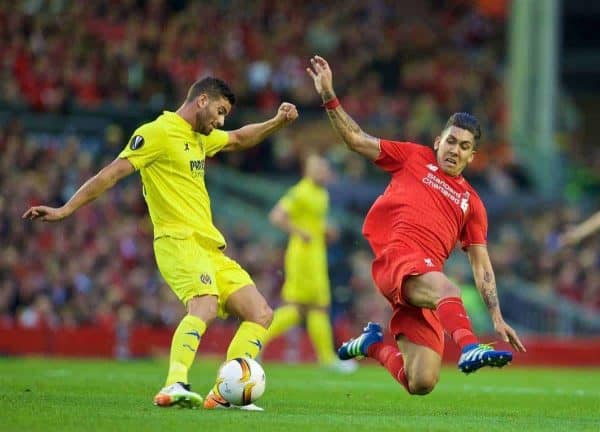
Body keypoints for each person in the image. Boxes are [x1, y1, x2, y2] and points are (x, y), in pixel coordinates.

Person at [23, 77, 298, 410]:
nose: (221, 121)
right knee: (205, 305)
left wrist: (277, 121)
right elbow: (110, 174)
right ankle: (174, 383)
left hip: (210, 247)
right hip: (177, 241)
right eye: (220, 111)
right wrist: (66, 209)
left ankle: (224, 395)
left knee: (261, 313)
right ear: (202, 101)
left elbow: (239, 139)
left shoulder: (201, 138)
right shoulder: (157, 133)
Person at [305, 55, 525, 396]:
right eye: (451, 141)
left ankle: (372, 345)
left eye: (464, 146)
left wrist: (496, 316)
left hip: (424, 283)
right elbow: (357, 139)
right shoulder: (412, 157)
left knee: (420, 382)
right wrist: (329, 96)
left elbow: (481, 265)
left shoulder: (473, 204)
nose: (455, 149)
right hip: (398, 260)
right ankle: (470, 347)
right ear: (438, 141)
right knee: (450, 291)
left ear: (472, 156)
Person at [263, 154, 357, 373]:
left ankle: (256, 344)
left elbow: (312, 221)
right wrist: (300, 232)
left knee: (304, 309)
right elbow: (276, 216)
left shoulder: (321, 193)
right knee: (309, 307)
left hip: (316, 256)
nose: (323, 172)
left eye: (324, 168)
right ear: (309, 170)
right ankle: (327, 358)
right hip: (303, 257)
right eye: (319, 168)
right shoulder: (301, 191)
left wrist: (324, 229)